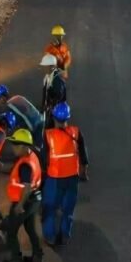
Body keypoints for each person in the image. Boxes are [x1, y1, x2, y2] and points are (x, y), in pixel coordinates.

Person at [42, 102, 89, 247]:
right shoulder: (75, 132)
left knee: (50, 208)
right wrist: (84, 173)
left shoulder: (48, 135)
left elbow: (44, 159)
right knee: (68, 208)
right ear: (68, 118)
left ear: (54, 118)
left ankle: (49, 236)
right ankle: (65, 234)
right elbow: (83, 156)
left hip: (54, 179)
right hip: (72, 178)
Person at [1, 128, 43, 262]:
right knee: (30, 229)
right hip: (35, 199)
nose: (12, 147)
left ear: (25, 146)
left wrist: (19, 205)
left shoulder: (25, 165)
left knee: (11, 231)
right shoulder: (32, 157)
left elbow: (26, 186)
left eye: (16, 144)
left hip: (24, 202)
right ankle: (38, 259)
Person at [40, 53, 67, 124]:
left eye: (44, 66)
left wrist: (50, 108)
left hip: (56, 117)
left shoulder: (58, 81)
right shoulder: (48, 78)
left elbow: (59, 98)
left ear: (51, 67)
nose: (43, 69)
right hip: (49, 115)